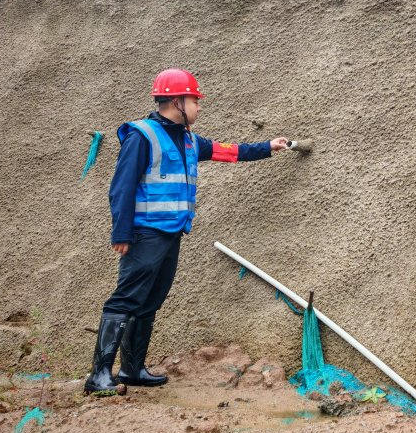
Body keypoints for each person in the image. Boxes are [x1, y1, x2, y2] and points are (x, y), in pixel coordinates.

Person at [84, 68, 290, 395]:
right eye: (195, 100)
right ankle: (99, 376)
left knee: (150, 300)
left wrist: (269, 146)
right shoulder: (142, 135)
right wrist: (120, 233)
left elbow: (229, 151)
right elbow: (120, 188)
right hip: (142, 235)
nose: (199, 106)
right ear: (178, 101)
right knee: (126, 299)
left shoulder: (190, 140)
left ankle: (132, 369)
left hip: (171, 233)